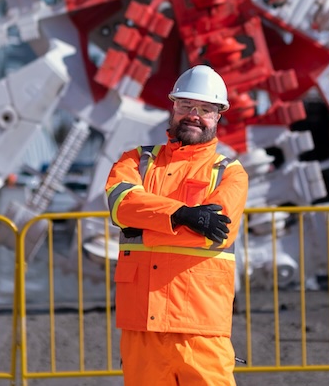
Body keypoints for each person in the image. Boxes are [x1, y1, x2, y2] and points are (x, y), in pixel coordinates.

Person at [105, 65, 249, 386]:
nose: (194, 115)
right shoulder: (136, 160)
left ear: (218, 116)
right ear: (173, 107)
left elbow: (215, 236)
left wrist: (145, 223)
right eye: (186, 106)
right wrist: (184, 216)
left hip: (199, 323)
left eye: (205, 109)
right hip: (143, 324)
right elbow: (120, 205)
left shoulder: (230, 172)